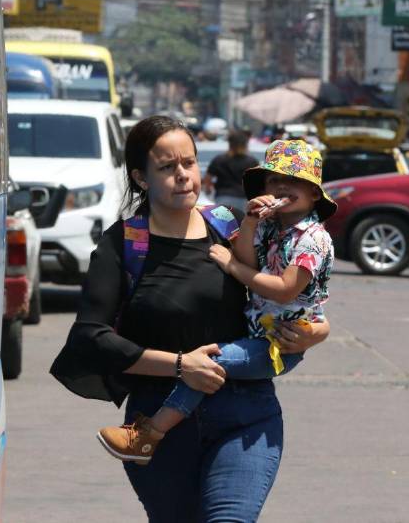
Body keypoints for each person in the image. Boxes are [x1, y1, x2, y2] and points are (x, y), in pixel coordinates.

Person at [49, 117, 330, 522]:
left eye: (189, 163)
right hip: (158, 424)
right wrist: (181, 365)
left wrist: (317, 333)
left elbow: (299, 291)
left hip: (245, 415)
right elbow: (90, 337)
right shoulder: (124, 243)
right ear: (141, 178)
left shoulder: (234, 227)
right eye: (167, 167)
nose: (182, 176)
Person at [97, 138, 336, 466]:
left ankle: (149, 433)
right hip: (259, 333)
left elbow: (283, 289)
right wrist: (250, 222)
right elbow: (249, 263)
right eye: (275, 179)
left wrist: (231, 266)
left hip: (277, 343)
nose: (282, 186)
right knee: (207, 368)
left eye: (294, 181)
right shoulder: (271, 227)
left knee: (209, 363)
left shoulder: (312, 238)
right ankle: (149, 435)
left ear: (313, 193)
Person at [202, 129, 259, 212]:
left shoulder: (219, 159)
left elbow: (207, 178)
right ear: (245, 144)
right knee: (242, 224)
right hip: (243, 200)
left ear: (230, 144)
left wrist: (208, 189)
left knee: (222, 224)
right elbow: (257, 181)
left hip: (223, 198)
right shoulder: (252, 161)